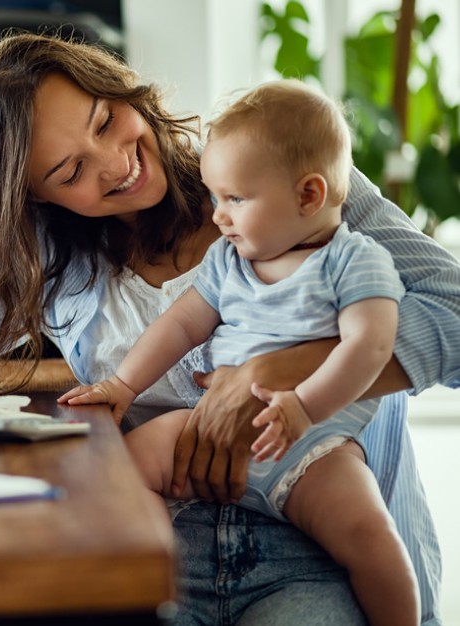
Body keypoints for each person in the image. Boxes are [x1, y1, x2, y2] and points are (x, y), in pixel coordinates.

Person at [0, 32, 459, 624]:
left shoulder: (283, 178)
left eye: (106, 121)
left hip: (322, 541)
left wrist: (282, 369)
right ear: (32, 196)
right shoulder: (56, 253)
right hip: (163, 538)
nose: (117, 164)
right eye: (70, 170)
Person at [59, 79, 418, 624]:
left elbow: (370, 347)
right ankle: (163, 570)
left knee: (371, 536)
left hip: (313, 448)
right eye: (215, 197)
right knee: (122, 466)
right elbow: (180, 325)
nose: (219, 216)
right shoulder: (230, 261)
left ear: (308, 196)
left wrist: (305, 407)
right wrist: (124, 384)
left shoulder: (355, 262)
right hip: (206, 427)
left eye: (236, 200)